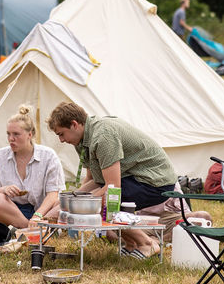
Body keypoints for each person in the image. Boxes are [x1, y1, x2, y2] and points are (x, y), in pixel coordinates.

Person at [47, 101, 174, 259]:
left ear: (74, 125)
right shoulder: (81, 140)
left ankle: (147, 243)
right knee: (96, 199)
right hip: (132, 178)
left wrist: (74, 206)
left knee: (106, 201)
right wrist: (65, 201)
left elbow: (112, 187)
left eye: (61, 134)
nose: (61, 140)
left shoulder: (103, 136)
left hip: (155, 181)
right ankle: (132, 243)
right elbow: (93, 179)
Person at [0, 104, 64, 230]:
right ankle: (30, 229)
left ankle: (28, 228)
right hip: (9, 212)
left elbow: (53, 194)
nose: (11, 139)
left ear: (29, 135)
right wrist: (3, 190)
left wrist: (37, 215)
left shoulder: (48, 156)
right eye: (8, 134)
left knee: (64, 202)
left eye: (16, 134)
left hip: (42, 212)